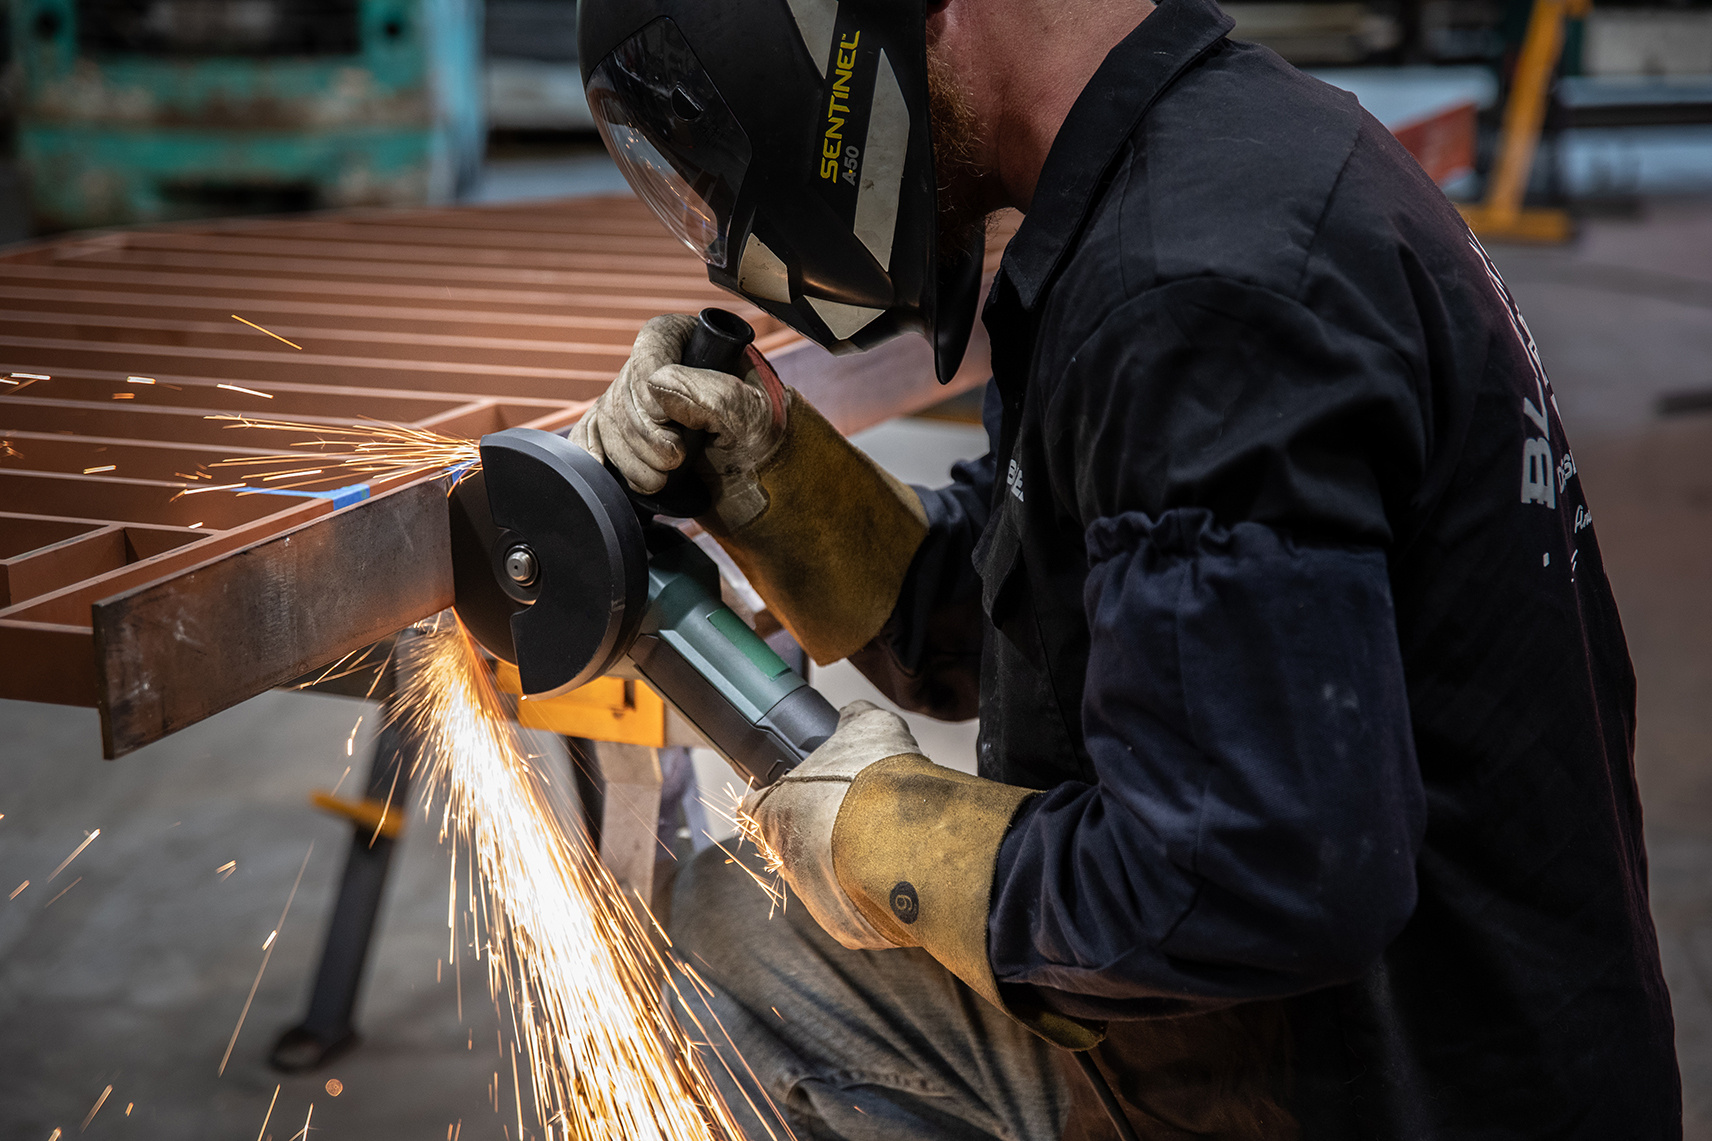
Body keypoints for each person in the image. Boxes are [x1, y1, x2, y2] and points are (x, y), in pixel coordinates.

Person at [569, 0, 1682, 1136]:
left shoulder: (1189, 286)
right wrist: (768, 476)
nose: (732, 226)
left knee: (757, 938)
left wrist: (882, 841)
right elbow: (1053, 611)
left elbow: (1245, 874)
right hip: (1390, 1029)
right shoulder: (1203, 163)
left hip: (1374, 1087)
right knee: (739, 916)